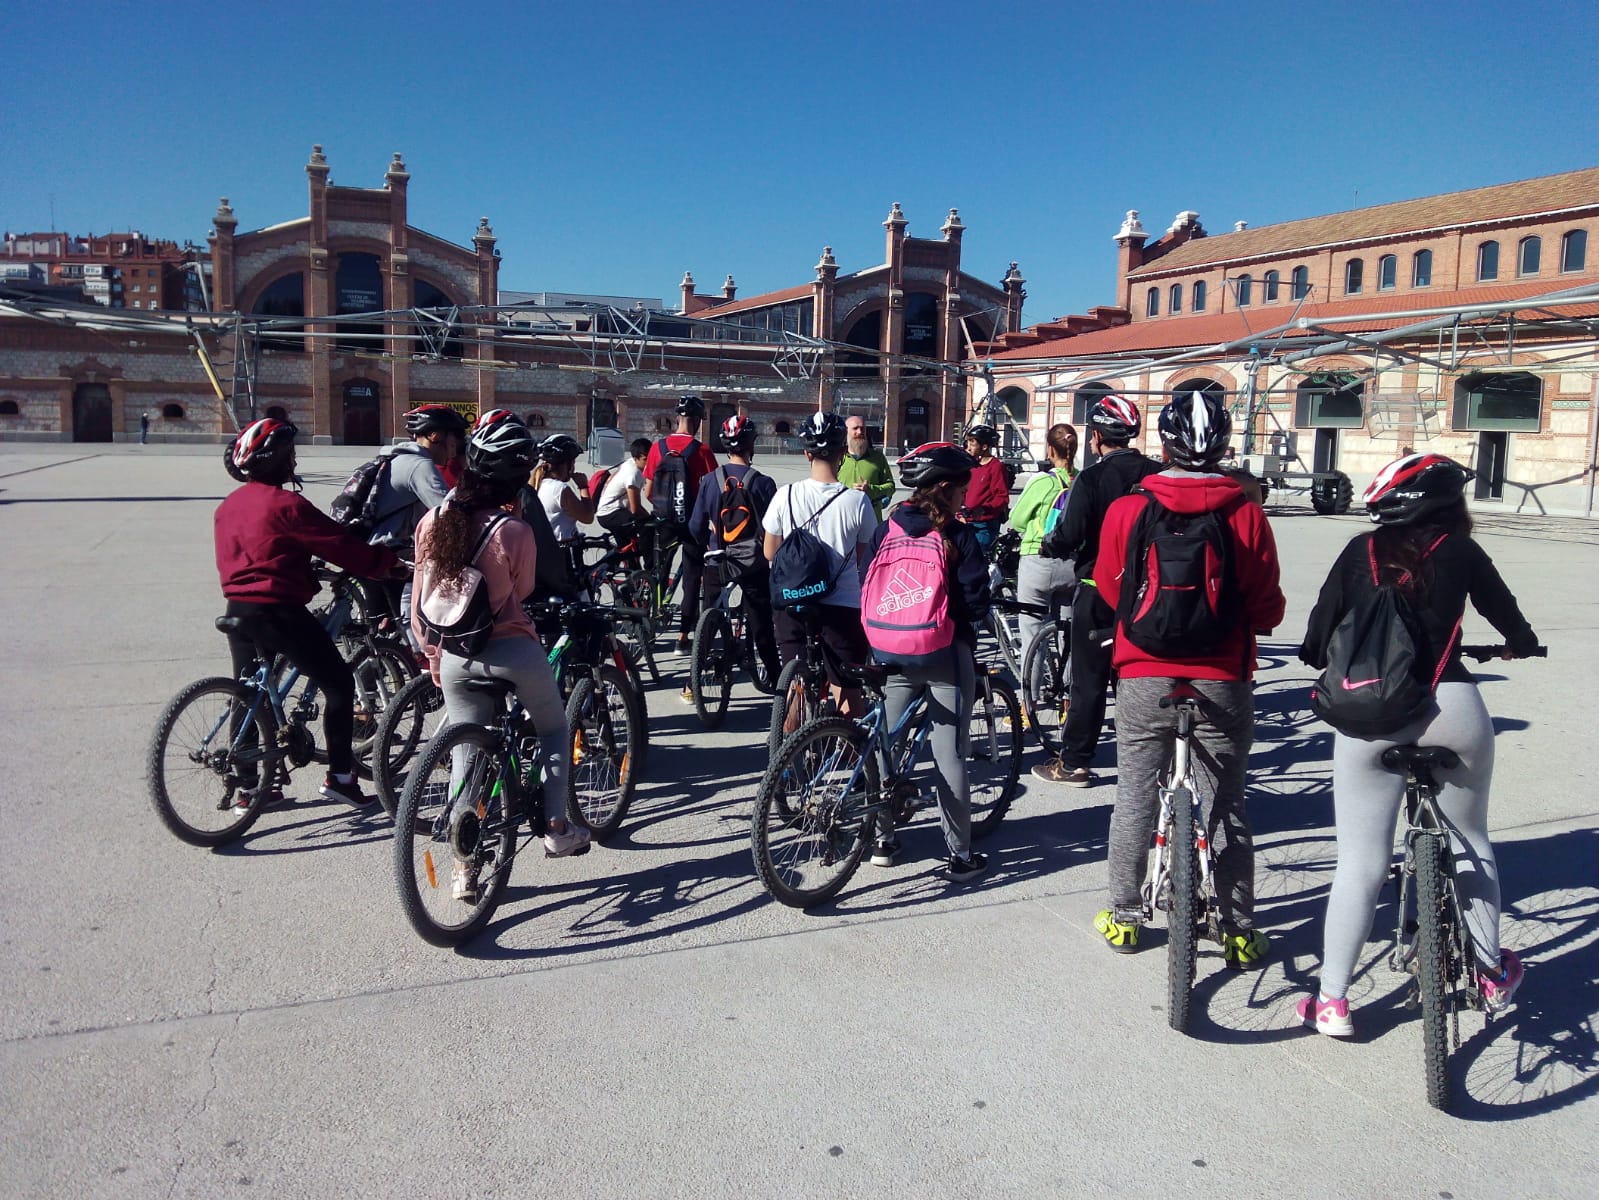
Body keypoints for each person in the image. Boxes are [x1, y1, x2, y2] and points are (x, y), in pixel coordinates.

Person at [1295, 453, 1539, 1036]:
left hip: (1371, 714)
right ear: (1451, 505)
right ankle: (1489, 970)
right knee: (1471, 838)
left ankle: (1332, 1001)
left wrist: (1323, 653)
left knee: (1360, 862)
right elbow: (1507, 615)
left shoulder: (1360, 550)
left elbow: (1317, 636)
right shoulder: (1461, 551)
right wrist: (1520, 643)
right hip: (1450, 705)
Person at [1090, 391, 1285, 963]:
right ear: (1222, 446)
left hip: (1143, 669)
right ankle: (1237, 928)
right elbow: (1267, 607)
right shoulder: (1245, 512)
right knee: (1226, 801)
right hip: (1222, 672)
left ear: (1165, 444)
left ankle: (1124, 916)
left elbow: (1110, 586)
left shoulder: (1129, 508)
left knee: (1133, 794)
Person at [411, 417, 589, 900]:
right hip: (511, 649)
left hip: (454, 653)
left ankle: (463, 868)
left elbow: (420, 601)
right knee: (553, 729)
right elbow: (524, 590)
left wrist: (433, 654)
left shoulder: (433, 521)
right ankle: (557, 828)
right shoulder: (514, 530)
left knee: (466, 752)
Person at [214, 418, 399, 809]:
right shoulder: (288, 505)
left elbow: (259, 550)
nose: (294, 461)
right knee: (339, 685)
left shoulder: (229, 505)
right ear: (278, 460)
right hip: (278, 611)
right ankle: (341, 778)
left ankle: (250, 787)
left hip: (238, 609)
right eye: (291, 455)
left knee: (250, 694)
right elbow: (340, 545)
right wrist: (385, 563)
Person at [863, 441, 993, 882]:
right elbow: (974, 600)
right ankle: (960, 855)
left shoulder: (888, 527)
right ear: (945, 489)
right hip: (942, 652)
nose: (965, 497)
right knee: (949, 753)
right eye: (962, 489)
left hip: (889, 648)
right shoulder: (957, 536)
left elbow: (868, 580)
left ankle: (883, 840)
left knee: (887, 743)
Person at [1033, 395, 1163, 785]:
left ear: (1096, 437)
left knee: (1088, 680)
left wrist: (1050, 544)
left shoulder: (1090, 479)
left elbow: (1070, 533)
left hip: (1098, 589)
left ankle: (1074, 763)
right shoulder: (1157, 474)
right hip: (1148, 593)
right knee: (1138, 678)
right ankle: (1152, 761)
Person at [763, 410, 876, 720]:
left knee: (794, 688)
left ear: (807, 453)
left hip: (793, 602)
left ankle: (790, 743)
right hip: (842, 605)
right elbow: (862, 559)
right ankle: (849, 744)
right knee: (847, 689)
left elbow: (770, 552)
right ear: (843, 453)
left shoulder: (784, 495)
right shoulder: (858, 502)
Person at [688, 413, 779, 683]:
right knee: (762, 624)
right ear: (752, 444)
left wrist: (709, 541)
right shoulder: (763, 483)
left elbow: (695, 526)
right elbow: (775, 527)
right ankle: (778, 683)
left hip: (718, 559)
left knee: (708, 620)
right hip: (753, 562)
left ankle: (692, 683)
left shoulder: (709, 481)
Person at [644, 395, 719, 654]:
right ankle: (683, 637)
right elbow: (713, 490)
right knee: (692, 578)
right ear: (697, 421)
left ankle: (650, 624)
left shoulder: (657, 447)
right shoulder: (702, 451)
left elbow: (648, 492)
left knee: (658, 572)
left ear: (677, 419)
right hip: (691, 523)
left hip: (664, 521)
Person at [1007, 422, 1079, 657]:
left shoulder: (1043, 481)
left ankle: (1032, 682)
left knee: (1033, 633)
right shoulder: (1082, 481)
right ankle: (1067, 680)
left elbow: (1017, 520)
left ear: (1050, 449)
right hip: (1072, 562)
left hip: (1037, 559)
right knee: (1068, 634)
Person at [959, 423, 1009, 552]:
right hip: (965, 521)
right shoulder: (970, 465)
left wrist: (984, 509)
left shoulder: (995, 467)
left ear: (984, 446)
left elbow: (1002, 497)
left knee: (979, 557)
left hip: (984, 526)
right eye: (967, 442)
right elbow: (961, 491)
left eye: (972, 443)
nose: (968, 447)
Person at [837, 416, 896, 521]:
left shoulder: (878, 458)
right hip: (843, 519)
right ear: (846, 431)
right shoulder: (837, 458)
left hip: (872, 520)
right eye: (855, 428)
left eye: (862, 428)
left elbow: (891, 487)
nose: (860, 432)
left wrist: (871, 490)